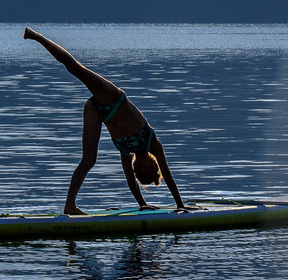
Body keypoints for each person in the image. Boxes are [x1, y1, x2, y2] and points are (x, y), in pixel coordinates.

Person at [24, 28, 186, 215]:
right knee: (76, 69)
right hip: (114, 100)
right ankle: (37, 36)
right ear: (151, 165)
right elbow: (168, 176)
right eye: (140, 173)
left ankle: (69, 205)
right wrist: (180, 205)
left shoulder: (126, 152)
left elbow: (130, 180)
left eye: (137, 174)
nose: (135, 171)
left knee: (88, 160)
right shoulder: (152, 141)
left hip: (97, 111)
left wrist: (142, 204)